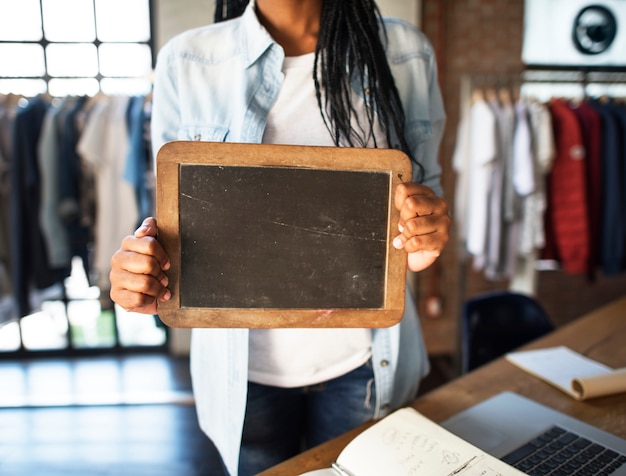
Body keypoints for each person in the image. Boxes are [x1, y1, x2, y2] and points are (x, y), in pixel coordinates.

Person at [109, 0, 450, 474]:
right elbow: (174, 218)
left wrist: (426, 237)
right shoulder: (188, 60)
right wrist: (143, 271)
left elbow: (423, 204)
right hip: (242, 377)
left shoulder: (404, 52)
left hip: (366, 364)